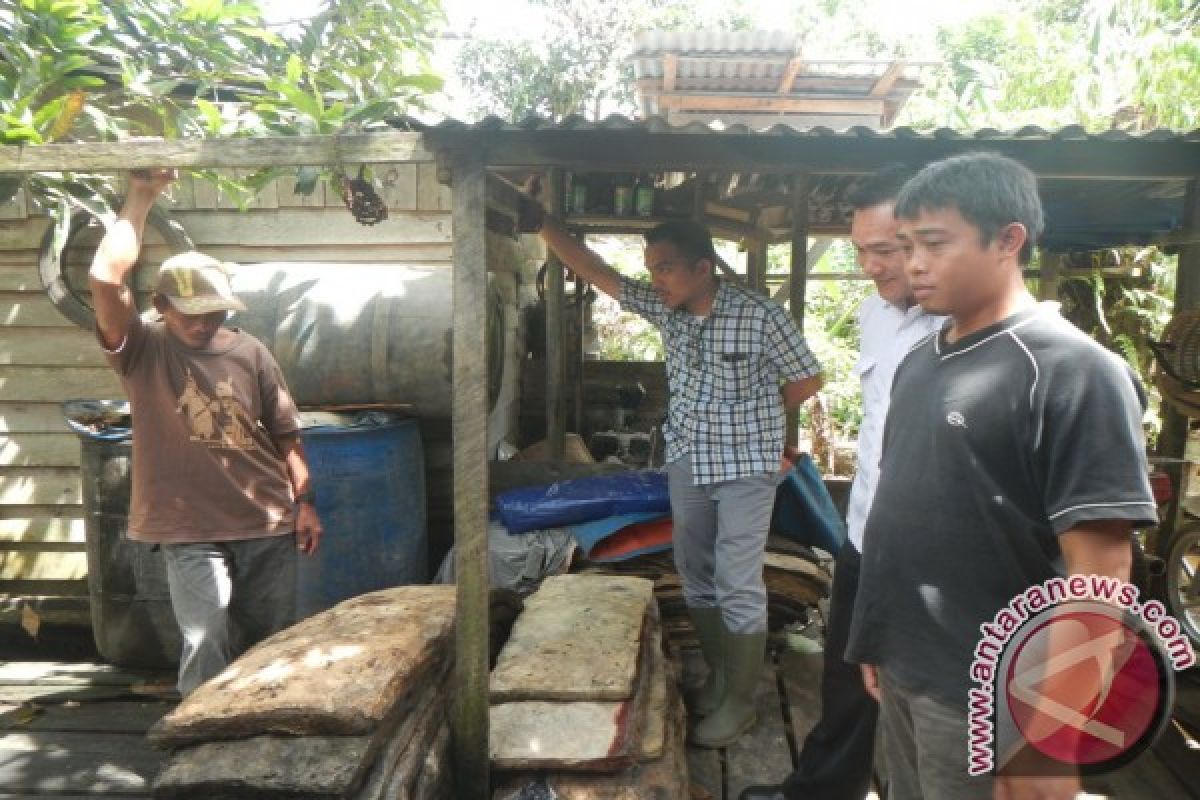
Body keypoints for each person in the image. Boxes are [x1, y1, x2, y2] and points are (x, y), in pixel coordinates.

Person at [844, 152, 1156, 799]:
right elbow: (906, 513)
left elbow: (1102, 571)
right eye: (906, 246)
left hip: (991, 692)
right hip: (908, 666)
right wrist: (876, 638)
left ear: (1008, 240)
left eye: (934, 243)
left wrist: (1052, 736)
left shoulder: (1071, 371)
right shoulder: (920, 362)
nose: (913, 264)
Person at [520, 191, 823, 748]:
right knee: (696, 569)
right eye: (651, 269)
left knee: (737, 576)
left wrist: (755, 413)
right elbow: (597, 269)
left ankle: (741, 703)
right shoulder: (668, 311)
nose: (655, 280)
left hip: (747, 465)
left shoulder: (759, 314)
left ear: (702, 269)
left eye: (664, 269)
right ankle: (721, 678)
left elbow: (808, 378)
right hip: (688, 460)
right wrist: (544, 225)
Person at [740, 166, 945, 800]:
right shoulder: (876, 315)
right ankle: (823, 791)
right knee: (846, 674)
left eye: (883, 249)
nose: (869, 266)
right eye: (860, 249)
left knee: (934, 702)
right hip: (866, 535)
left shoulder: (969, 330)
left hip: (936, 554)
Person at [88, 169, 324, 696]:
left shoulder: (250, 351)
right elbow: (105, 281)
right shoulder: (142, 350)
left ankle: (263, 732)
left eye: (214, 311)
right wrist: (141, 197)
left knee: (271, 643)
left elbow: (286, 436)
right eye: (190, 312)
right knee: (205, 636)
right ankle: (198, 743)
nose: (204, 322)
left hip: (265, 519)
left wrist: (305, 503)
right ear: (161, 307)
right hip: (187, 526)